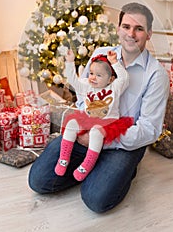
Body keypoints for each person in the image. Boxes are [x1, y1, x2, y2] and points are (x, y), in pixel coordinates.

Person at [28, 2, 170, 213]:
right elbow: (83, 95)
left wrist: (103, 138)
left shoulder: (156, 75)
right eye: (126, 26)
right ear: (118, 28)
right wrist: (88, 125)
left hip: (123, 142)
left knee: (95, 200)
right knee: (39, 181)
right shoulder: (101, 54)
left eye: (139, 28)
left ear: (149, 34)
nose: (131, 33)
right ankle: (91, 165)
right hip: (87, 130)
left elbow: (149, 129)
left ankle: (120, 170)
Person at [55, 49, 132, 181]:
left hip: (107, 121)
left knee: (96, 132)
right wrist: (69, 62)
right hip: (89, 118)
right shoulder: (86, 86)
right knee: (72, 124)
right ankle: (63, 158)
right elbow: (73, 81)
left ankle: (88, 163)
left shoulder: (114, 87)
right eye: (91, 73)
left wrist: (114, 62)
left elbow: (124, 78)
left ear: (110, 79)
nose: (93, 77)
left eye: (99, 75)